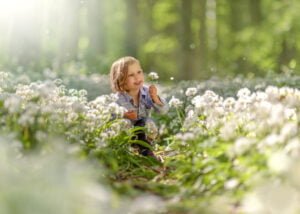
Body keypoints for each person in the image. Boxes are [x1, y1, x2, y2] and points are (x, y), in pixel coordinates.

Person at [109, 56, 169, 160]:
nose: (137, 77)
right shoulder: (118, 98)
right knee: (132, 123)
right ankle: (140, 152)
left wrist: (155, 98)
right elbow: (109, 116)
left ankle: (145, 149)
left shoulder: (147, 92)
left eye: (139, 72)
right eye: (131, 75)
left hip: (145, 132)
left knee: (146, 122)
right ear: (120, 80)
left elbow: (163, 111)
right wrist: (124, 114)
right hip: (126, 134)